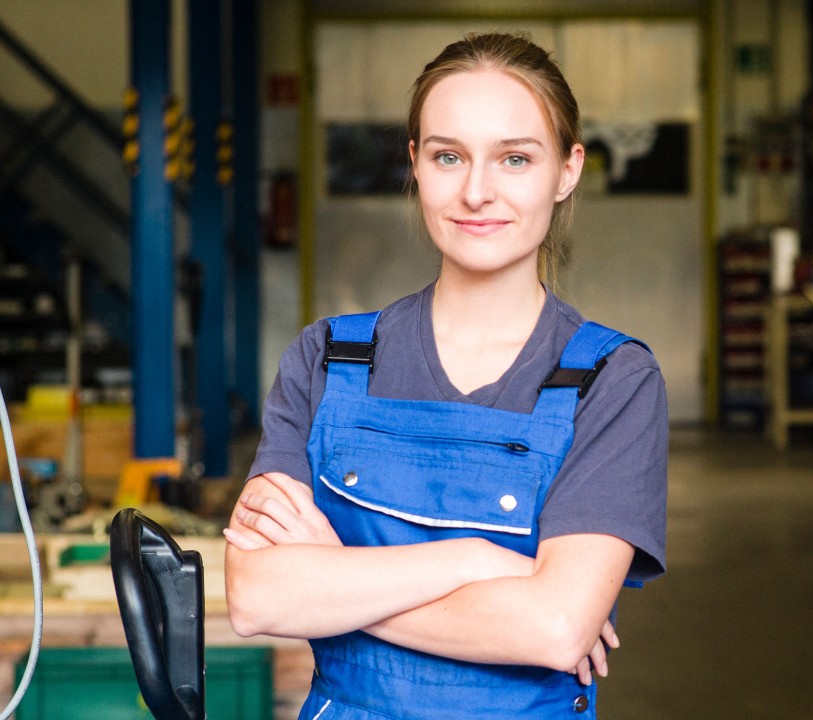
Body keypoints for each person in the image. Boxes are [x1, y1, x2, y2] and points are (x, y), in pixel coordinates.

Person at [222, 32, 668, 720]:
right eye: (448, 156)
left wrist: (333, 580)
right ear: (416, 164)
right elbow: (257, 597)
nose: (476, 191)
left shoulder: (613, 380)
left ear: (568, 171)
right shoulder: (328, 359)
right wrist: (476, 559)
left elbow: (553, 629)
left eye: (515, 158)